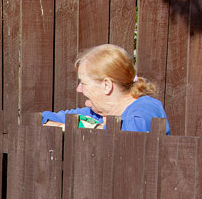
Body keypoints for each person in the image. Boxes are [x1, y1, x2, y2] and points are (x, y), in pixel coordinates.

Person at [42, 44, 170, 135]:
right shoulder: (94, 114)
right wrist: (66, 126)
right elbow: (42, 119)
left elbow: (133, 133)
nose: (78, 89)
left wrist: (93, 128)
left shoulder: (147, 107)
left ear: (107, 85)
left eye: (84, 83)